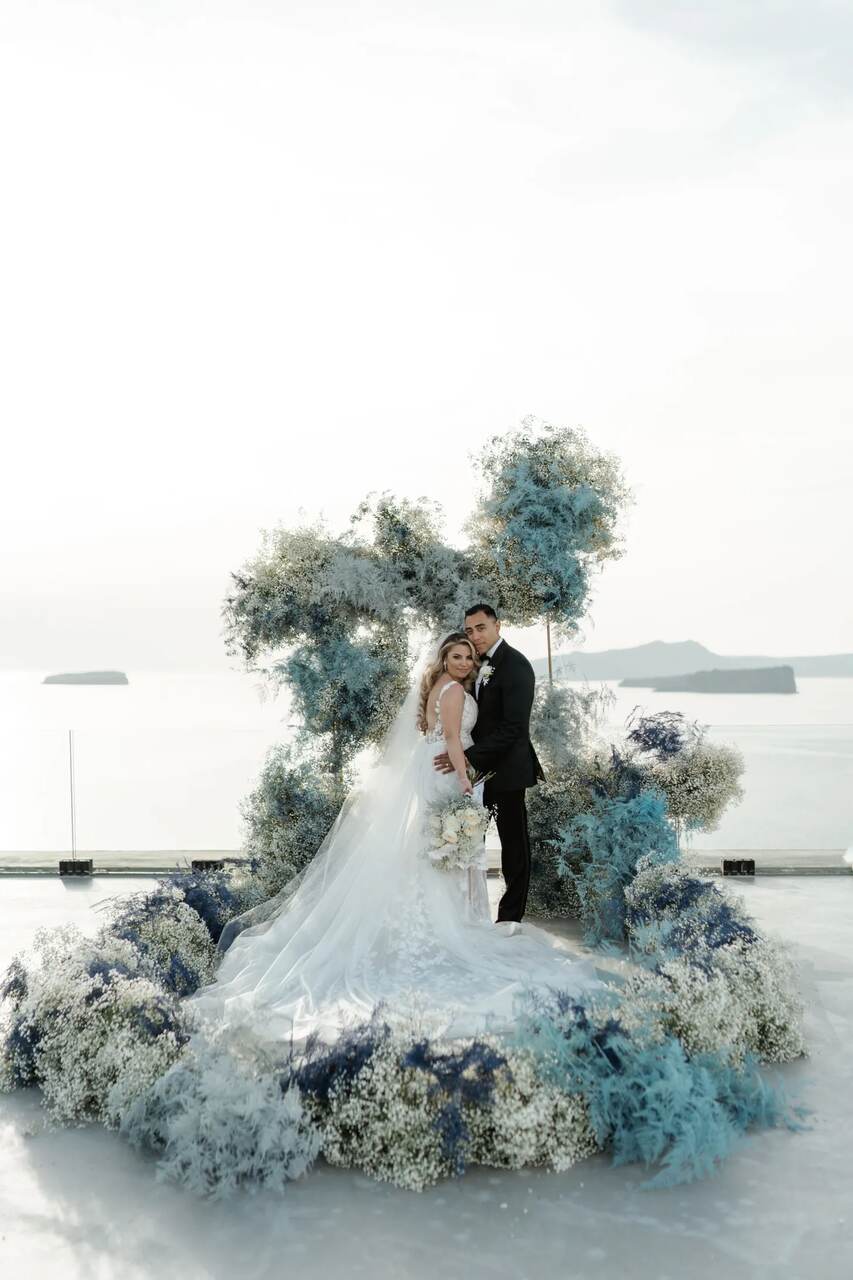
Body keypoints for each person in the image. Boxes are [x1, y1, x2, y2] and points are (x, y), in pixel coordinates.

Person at [189, 632, 600, 1047]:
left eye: (468, 656)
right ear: (445, 658)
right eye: (456, 655)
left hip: (429, 769)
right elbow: (455, 740)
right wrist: (464, 779)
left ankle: (449, 912)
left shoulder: (435, 687)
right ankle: (452, 920)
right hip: (448, 774)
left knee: (432, 843)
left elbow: (434, 734)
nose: (463, 662)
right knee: (448, 843)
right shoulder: (455, 690)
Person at [434, 604, 543, 926]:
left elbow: (514, 728)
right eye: (470, 630)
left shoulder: (516, 665)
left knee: (513, 846)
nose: (475, 636)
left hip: (507, 771)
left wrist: (467, 757)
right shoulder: (474, 664)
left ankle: (510, 918)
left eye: (481, 628)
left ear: (498, 626)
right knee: (470, 843)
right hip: (475, 773)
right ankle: (469, 912)